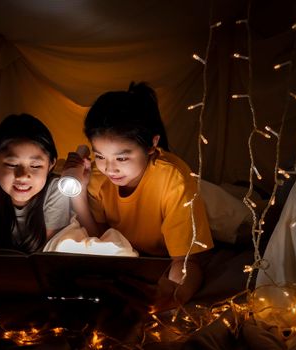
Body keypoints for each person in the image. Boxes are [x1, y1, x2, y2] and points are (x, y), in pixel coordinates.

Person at [66, 82, 214, 311]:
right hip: (128, 255)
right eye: (101, 156)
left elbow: (186, 262)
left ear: (152, 144)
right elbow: (100, 237)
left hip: (169, 254)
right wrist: (79, 195)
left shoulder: (173, 179)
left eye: (122, 158)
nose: (110, 168)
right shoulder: (97, 176)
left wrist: (173, 297)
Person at [0, 113, 71, 253]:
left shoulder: (56, 190)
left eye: (35, 166)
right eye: (12, 164)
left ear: (51, 165)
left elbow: (46, 254)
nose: (22, 176)